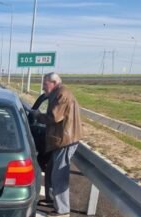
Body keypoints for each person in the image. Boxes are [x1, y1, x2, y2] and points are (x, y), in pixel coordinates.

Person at [32, 72, 83, 217]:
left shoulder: (61, 94)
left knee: (59, 175)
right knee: (51, 172)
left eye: (44, 84)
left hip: (65, 140)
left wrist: (37, 116)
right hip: (61, 139)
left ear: (53, 82)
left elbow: (54, 117)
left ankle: (63, 210)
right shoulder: (59, 92)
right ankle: (52, 199)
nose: (43, 87)